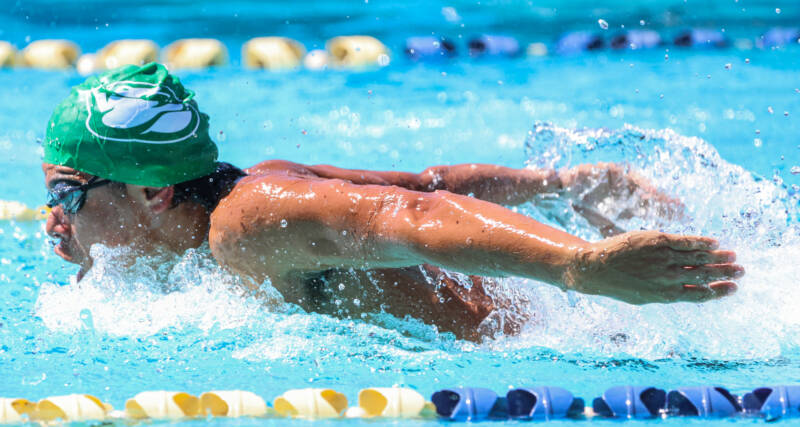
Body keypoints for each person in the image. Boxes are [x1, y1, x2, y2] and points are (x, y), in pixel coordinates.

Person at [43, 63, 743, 340]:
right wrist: (563, 188)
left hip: (569, 336)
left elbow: (413, 216)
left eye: (66, 195)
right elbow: (425, 181)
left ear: (155, 192)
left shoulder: (245, 228)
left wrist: (582, 266)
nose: (53, 218)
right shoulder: (250, 184)